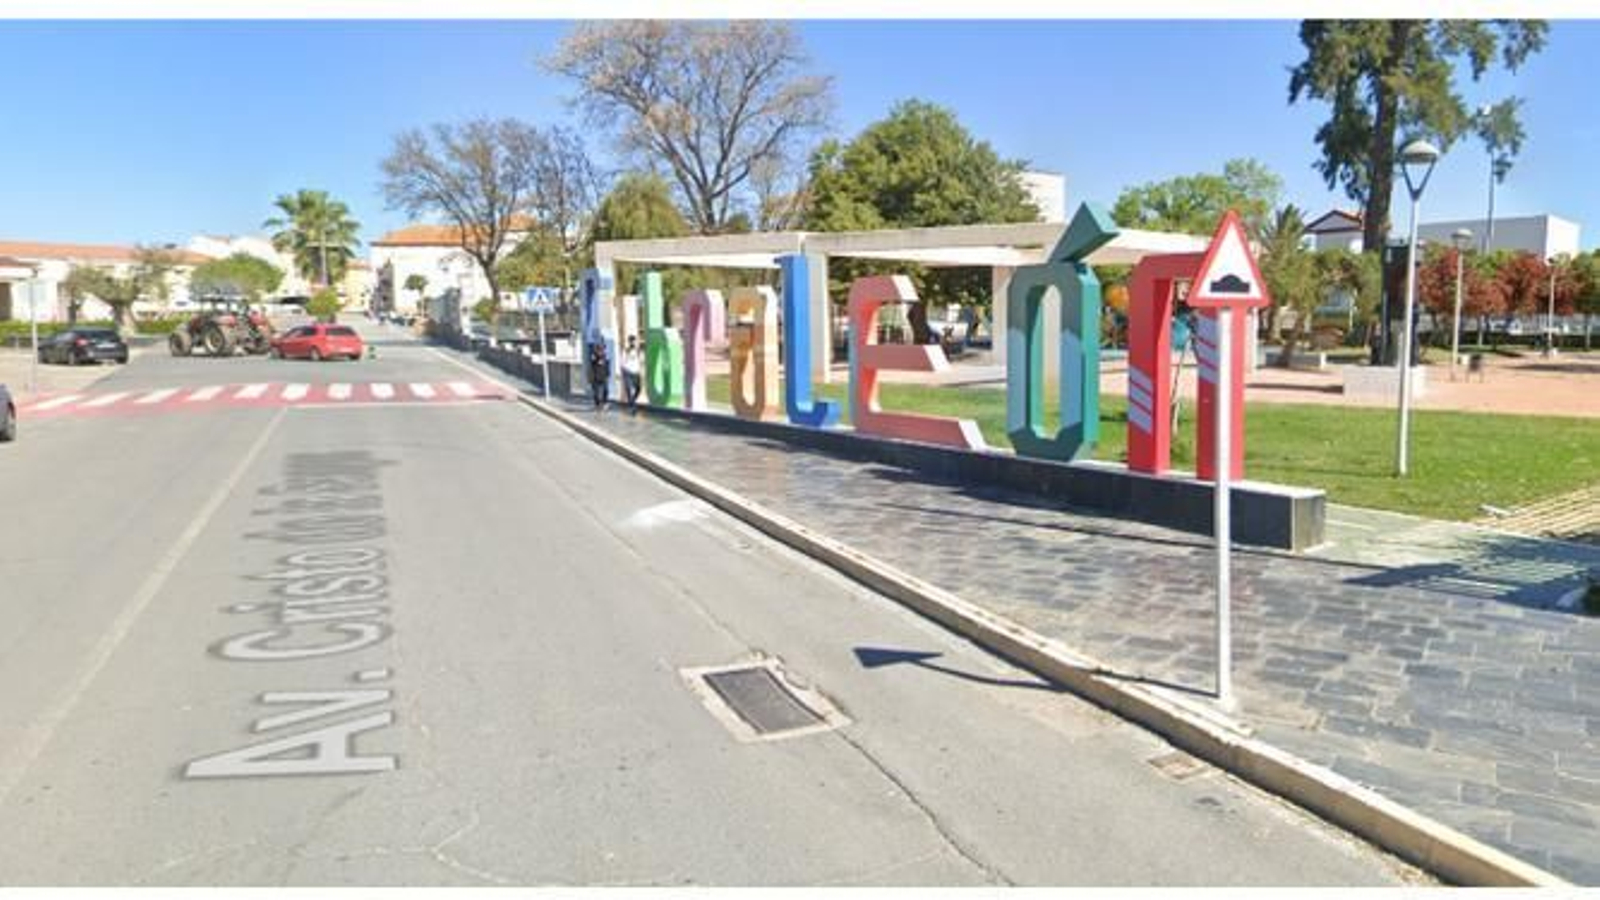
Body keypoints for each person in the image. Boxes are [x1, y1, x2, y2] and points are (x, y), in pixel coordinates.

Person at [620, 335, 643, 409]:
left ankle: (631, 401)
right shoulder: (626, 350)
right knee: (629, 389)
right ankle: (632, 406)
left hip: (636, 372)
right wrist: (623, 370)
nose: (633, 342)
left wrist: (640, 370)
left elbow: (641, 361)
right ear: (629, 341)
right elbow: (622, 362)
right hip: (628, 371)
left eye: (634, 341)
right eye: (631, 341)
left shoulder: (638, 350)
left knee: (638, 389)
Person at [588, 340, 611, 409]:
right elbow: (592, 363)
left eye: (603, 349)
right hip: (595, 376)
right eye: (600, 349)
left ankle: (604, 402)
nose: (601, 351)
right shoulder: (594, 357)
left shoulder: (605, 357)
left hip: (603, 376)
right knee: (596, 393)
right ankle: (597, 404)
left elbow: (607, 365)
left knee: (606, 390)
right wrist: (590, 377)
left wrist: (608, 373)